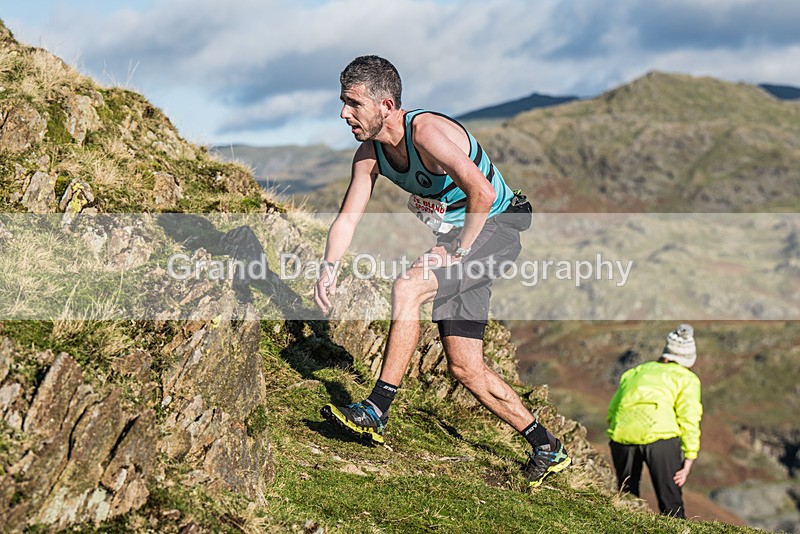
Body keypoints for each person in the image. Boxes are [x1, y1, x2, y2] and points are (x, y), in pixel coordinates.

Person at [314, 55, 570, 487]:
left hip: (497, 228)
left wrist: (458, 251)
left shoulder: (426, 133)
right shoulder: (369, 154)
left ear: (387, 104)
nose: (344, 113)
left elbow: (483, 192)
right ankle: (547, 446)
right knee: (466, 367)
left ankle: (376, 409)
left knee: (408, 287)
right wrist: (328, 267)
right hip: (465, 238)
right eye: (342, 102)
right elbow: (348, 218)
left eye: (353, 103)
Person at [607, 324, 703, 518]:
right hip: (660, 439)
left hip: (622, 436)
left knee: (626, 498)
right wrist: (690, 457)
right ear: (688, 357)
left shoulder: (635, 372)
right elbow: (689, 418)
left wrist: (615, 429)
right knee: (671, 502)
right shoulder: (687, 379)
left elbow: (613, 408)